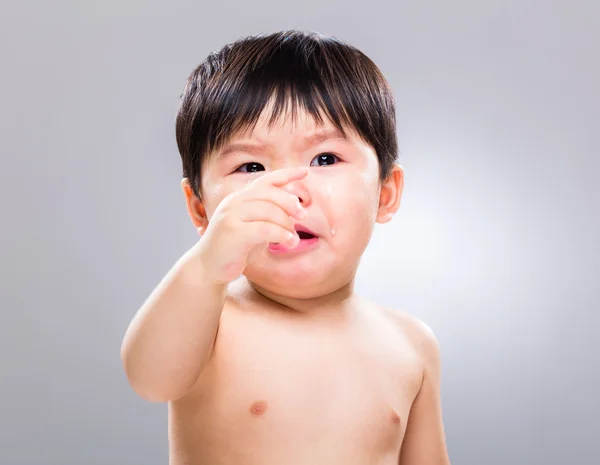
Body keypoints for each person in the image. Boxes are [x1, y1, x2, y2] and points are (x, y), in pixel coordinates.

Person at [121, 29, 451, 465]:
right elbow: (150, 379)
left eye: (325, 159)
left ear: (386, 193)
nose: (288, 191)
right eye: (251, 166)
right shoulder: (210, 320)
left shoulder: (410, 343)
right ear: (201, 209)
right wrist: (205, 268)